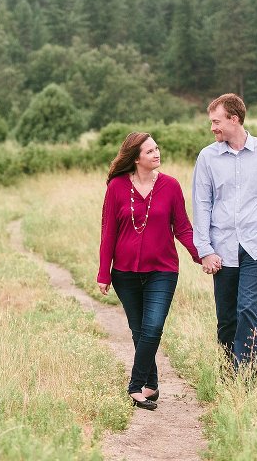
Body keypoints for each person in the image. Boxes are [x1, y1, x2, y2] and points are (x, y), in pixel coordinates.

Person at [192, 93, 257, 374]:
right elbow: (201, 204)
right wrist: (205, 249)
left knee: (248, 310)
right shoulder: (207, 157)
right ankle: (228, 375)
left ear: (234, 119)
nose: (212, 128)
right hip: (221, 249)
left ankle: (245, 377)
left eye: (216, 122)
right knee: (226, 318)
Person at [97, 132, 202, 411]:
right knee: (138, 330)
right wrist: (103, 273)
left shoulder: (170, 185)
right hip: (124, 273)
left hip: (162, 270)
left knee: (152, 327)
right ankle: (151, 385)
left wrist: (200, 255)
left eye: (157, 148)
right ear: (135, 158)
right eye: (149, 151)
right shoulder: (117, 187)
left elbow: (183, 228)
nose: (157, 154)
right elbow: (108, 232)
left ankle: (134, 386)